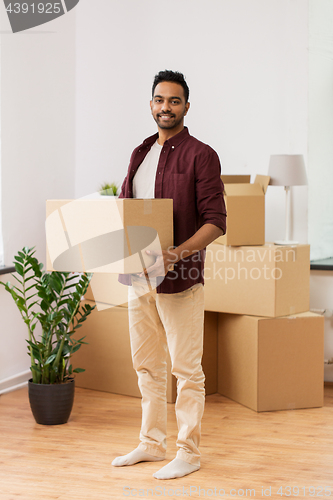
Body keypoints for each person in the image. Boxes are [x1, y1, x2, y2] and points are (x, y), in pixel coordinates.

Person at [112, 70, 227, 480]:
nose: (166, 107)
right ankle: (150, 442)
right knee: (146, 365)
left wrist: (178, 253)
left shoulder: (201, 155)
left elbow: (217, 221)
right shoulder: (140, 152)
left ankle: (188, 452)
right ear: (151, 104)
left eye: (174, 101)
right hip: (138, 277)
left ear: (186, 107)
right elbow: (128, 211)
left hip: (179, 279)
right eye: (160, 100)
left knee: (185, 370)